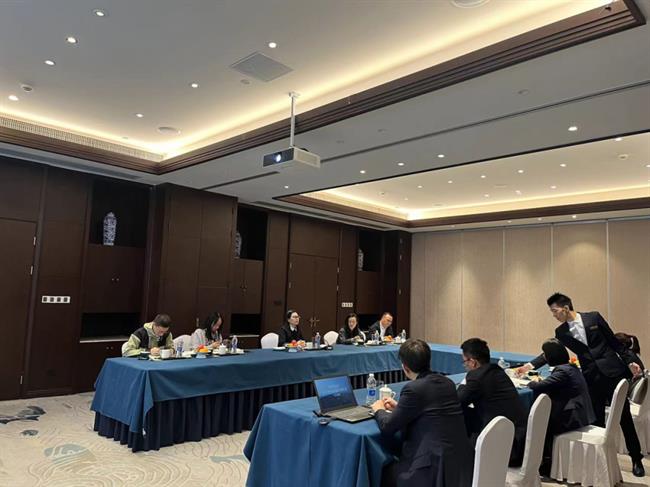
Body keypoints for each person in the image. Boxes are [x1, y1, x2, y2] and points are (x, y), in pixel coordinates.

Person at [516, 292, 645, 477]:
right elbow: (548, 354)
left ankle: (636, 459)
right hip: (591, 377)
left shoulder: (594, 318)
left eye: (555, 311)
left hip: (612, 372)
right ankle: (600, 466)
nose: (554, 315)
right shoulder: (561, 332)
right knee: (596, 419)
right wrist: (528, 366)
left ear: (565, 307)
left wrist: (630, 361)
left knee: (623, 416)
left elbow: (614, 342)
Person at [371, 339, 474, 487]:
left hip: (431, 469)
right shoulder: (447, 383)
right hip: (460, 464)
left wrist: (379, 409)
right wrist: (400, 407)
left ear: (405, 367)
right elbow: (432, 411)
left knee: (380, 470)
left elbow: (388, 427)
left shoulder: (413, 389)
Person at [527, 338, 596, 477]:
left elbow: (538, 387)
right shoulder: (571, 367)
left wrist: (532, 382)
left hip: (573, 418)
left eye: (545, 354)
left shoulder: (562, 371)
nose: (544, 357)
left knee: (539, 423)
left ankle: (546, 463)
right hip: (582, 414)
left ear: (551, 356)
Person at [457, 338, 527, 467]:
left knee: (460, 418)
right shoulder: (497, 371)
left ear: (473, 362)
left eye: (464, 362)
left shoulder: (476, 377)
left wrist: (463, 382)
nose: (464, 365)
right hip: (520, 440)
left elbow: (458, 400)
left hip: (506, 449)